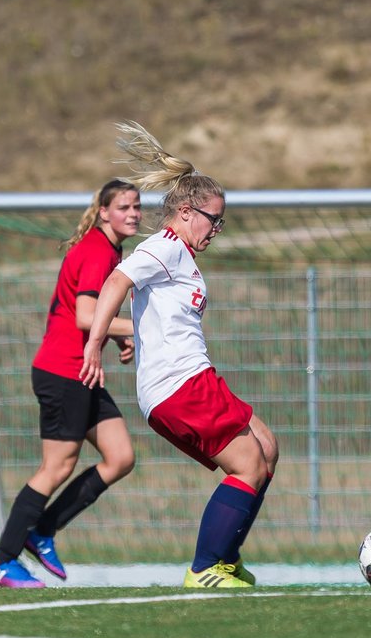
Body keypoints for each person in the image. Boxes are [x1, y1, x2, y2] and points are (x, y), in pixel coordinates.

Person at [81, 121, 279, 589]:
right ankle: (206, 567)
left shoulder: (180, 255)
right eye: (214, 219)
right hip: (179, 386)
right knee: (248, 464)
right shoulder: (166, 247)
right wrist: (94, 343)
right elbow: (115, 281)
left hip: (195, 378)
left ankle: (225, 559)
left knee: (267, 447)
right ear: (187, 213)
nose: (217, 230)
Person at [0, 178, 143, 589]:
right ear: (104, 211)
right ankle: (2, 560)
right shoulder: (95, 251)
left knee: (120, 456)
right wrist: (141, 329)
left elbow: (91, 315)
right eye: (124, 207)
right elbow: (86, 317)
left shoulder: (109, 249)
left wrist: (119, 335)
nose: (133, 214)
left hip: (81, 372)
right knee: (56, 466)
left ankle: (42, 531)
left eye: (137, 207)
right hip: (63, 371)